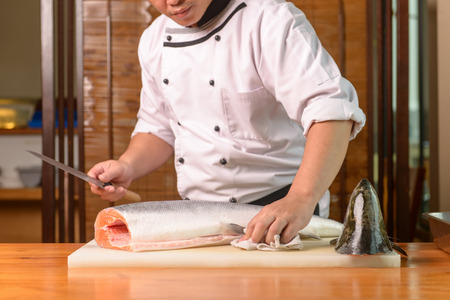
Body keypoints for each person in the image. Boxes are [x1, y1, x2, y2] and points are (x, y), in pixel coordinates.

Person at [87, 0, 366, 245]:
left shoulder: (269, 20)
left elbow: (331, 111)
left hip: (279, 210)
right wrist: (128, 165)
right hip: (198, 218)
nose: (173, 1)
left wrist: (301, 198)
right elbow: (157, 125)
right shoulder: (154, 38)